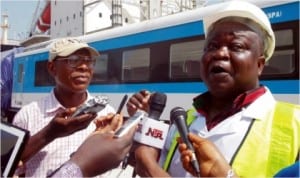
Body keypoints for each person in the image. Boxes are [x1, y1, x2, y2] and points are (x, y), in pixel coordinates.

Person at [127, 1, 300, 177]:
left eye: (236, 47)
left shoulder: (295, 124)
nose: (219, 53)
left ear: (259, 64)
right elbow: (155, 166)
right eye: (212, 46)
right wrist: (142, 126)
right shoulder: (185, 119)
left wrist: (149, 166)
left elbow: (152, 169)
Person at [12, 38, 116, 177]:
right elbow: (8, 165)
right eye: (73, 60)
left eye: (89, 61)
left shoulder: (107, 113)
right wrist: (50, 133)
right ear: (52, 68)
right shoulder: (28, 115)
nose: (84, 67)